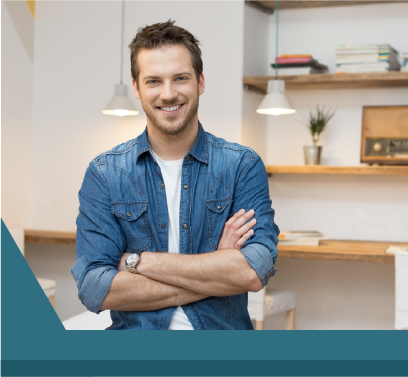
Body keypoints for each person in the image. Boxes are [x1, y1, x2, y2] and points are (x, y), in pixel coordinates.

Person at [71, 20, 279, 330]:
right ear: (137, 89)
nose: (168, 94)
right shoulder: (105, 173)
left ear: (200, 82)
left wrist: (138, 262)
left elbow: (254, 270)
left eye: (180, 78)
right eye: (154, 81)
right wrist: (217, 267)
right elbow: (94, 288)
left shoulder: (241, 166)